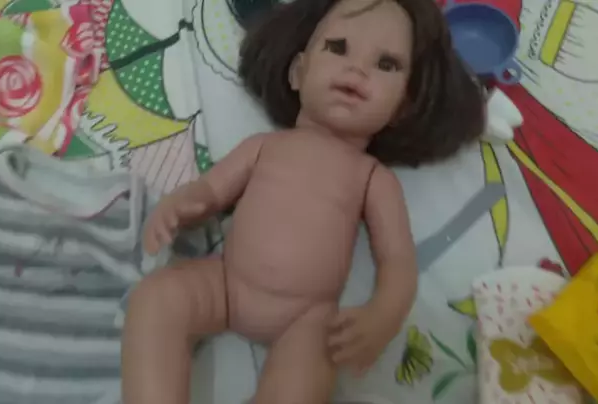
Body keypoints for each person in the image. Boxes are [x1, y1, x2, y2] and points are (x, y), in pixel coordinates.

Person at [122, 0, 485, 403]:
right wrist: (183, 203)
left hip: (306, 320)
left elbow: (398, 262)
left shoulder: (373, 180)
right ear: (298, 72)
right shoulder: (264, 147)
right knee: (156, 298)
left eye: (386, 64)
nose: (357, 69)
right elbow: (210, 191)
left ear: (401, 106)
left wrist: (384, 313)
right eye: (338, 47)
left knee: (311, 371)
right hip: (227, 283)